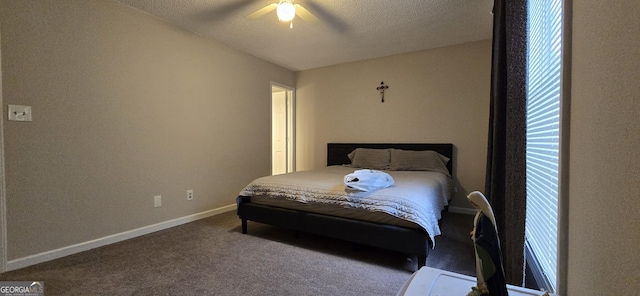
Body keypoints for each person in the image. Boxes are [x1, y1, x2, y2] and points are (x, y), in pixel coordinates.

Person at [466, 191, 508, 296]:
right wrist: (475, 233)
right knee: (480, 271)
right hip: (481, 250)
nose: (472, 205)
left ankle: (488, 290)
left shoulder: (485, 218)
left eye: (473, 202)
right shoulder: (481, 213)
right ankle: (482, 288)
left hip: (487, 252)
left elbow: (486, 236)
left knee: (487, 272)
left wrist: (477, 240)